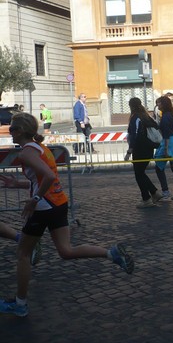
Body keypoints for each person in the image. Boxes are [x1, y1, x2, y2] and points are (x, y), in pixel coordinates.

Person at [0, 113, 133, 317]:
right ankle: (110, 253)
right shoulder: (41, 148)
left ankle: (20, 303)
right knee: (65, 251)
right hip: (59, 203)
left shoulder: (27, 152)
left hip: (44, 207)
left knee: (23, 253)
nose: (10, 134)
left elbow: (49, 176)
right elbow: (45, 179)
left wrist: (34, 199)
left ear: (20, 131)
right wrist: (17, 184)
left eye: (11, 130)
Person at [125, 97, 164, 208]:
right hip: (149, 148)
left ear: (130, 106)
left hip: (140, 149)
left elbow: (135, 135)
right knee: (140, 173)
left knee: (139, 174)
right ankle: (154, 193)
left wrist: (130, 150)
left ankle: (146, 199)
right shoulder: (146, 116)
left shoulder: (136, 118)